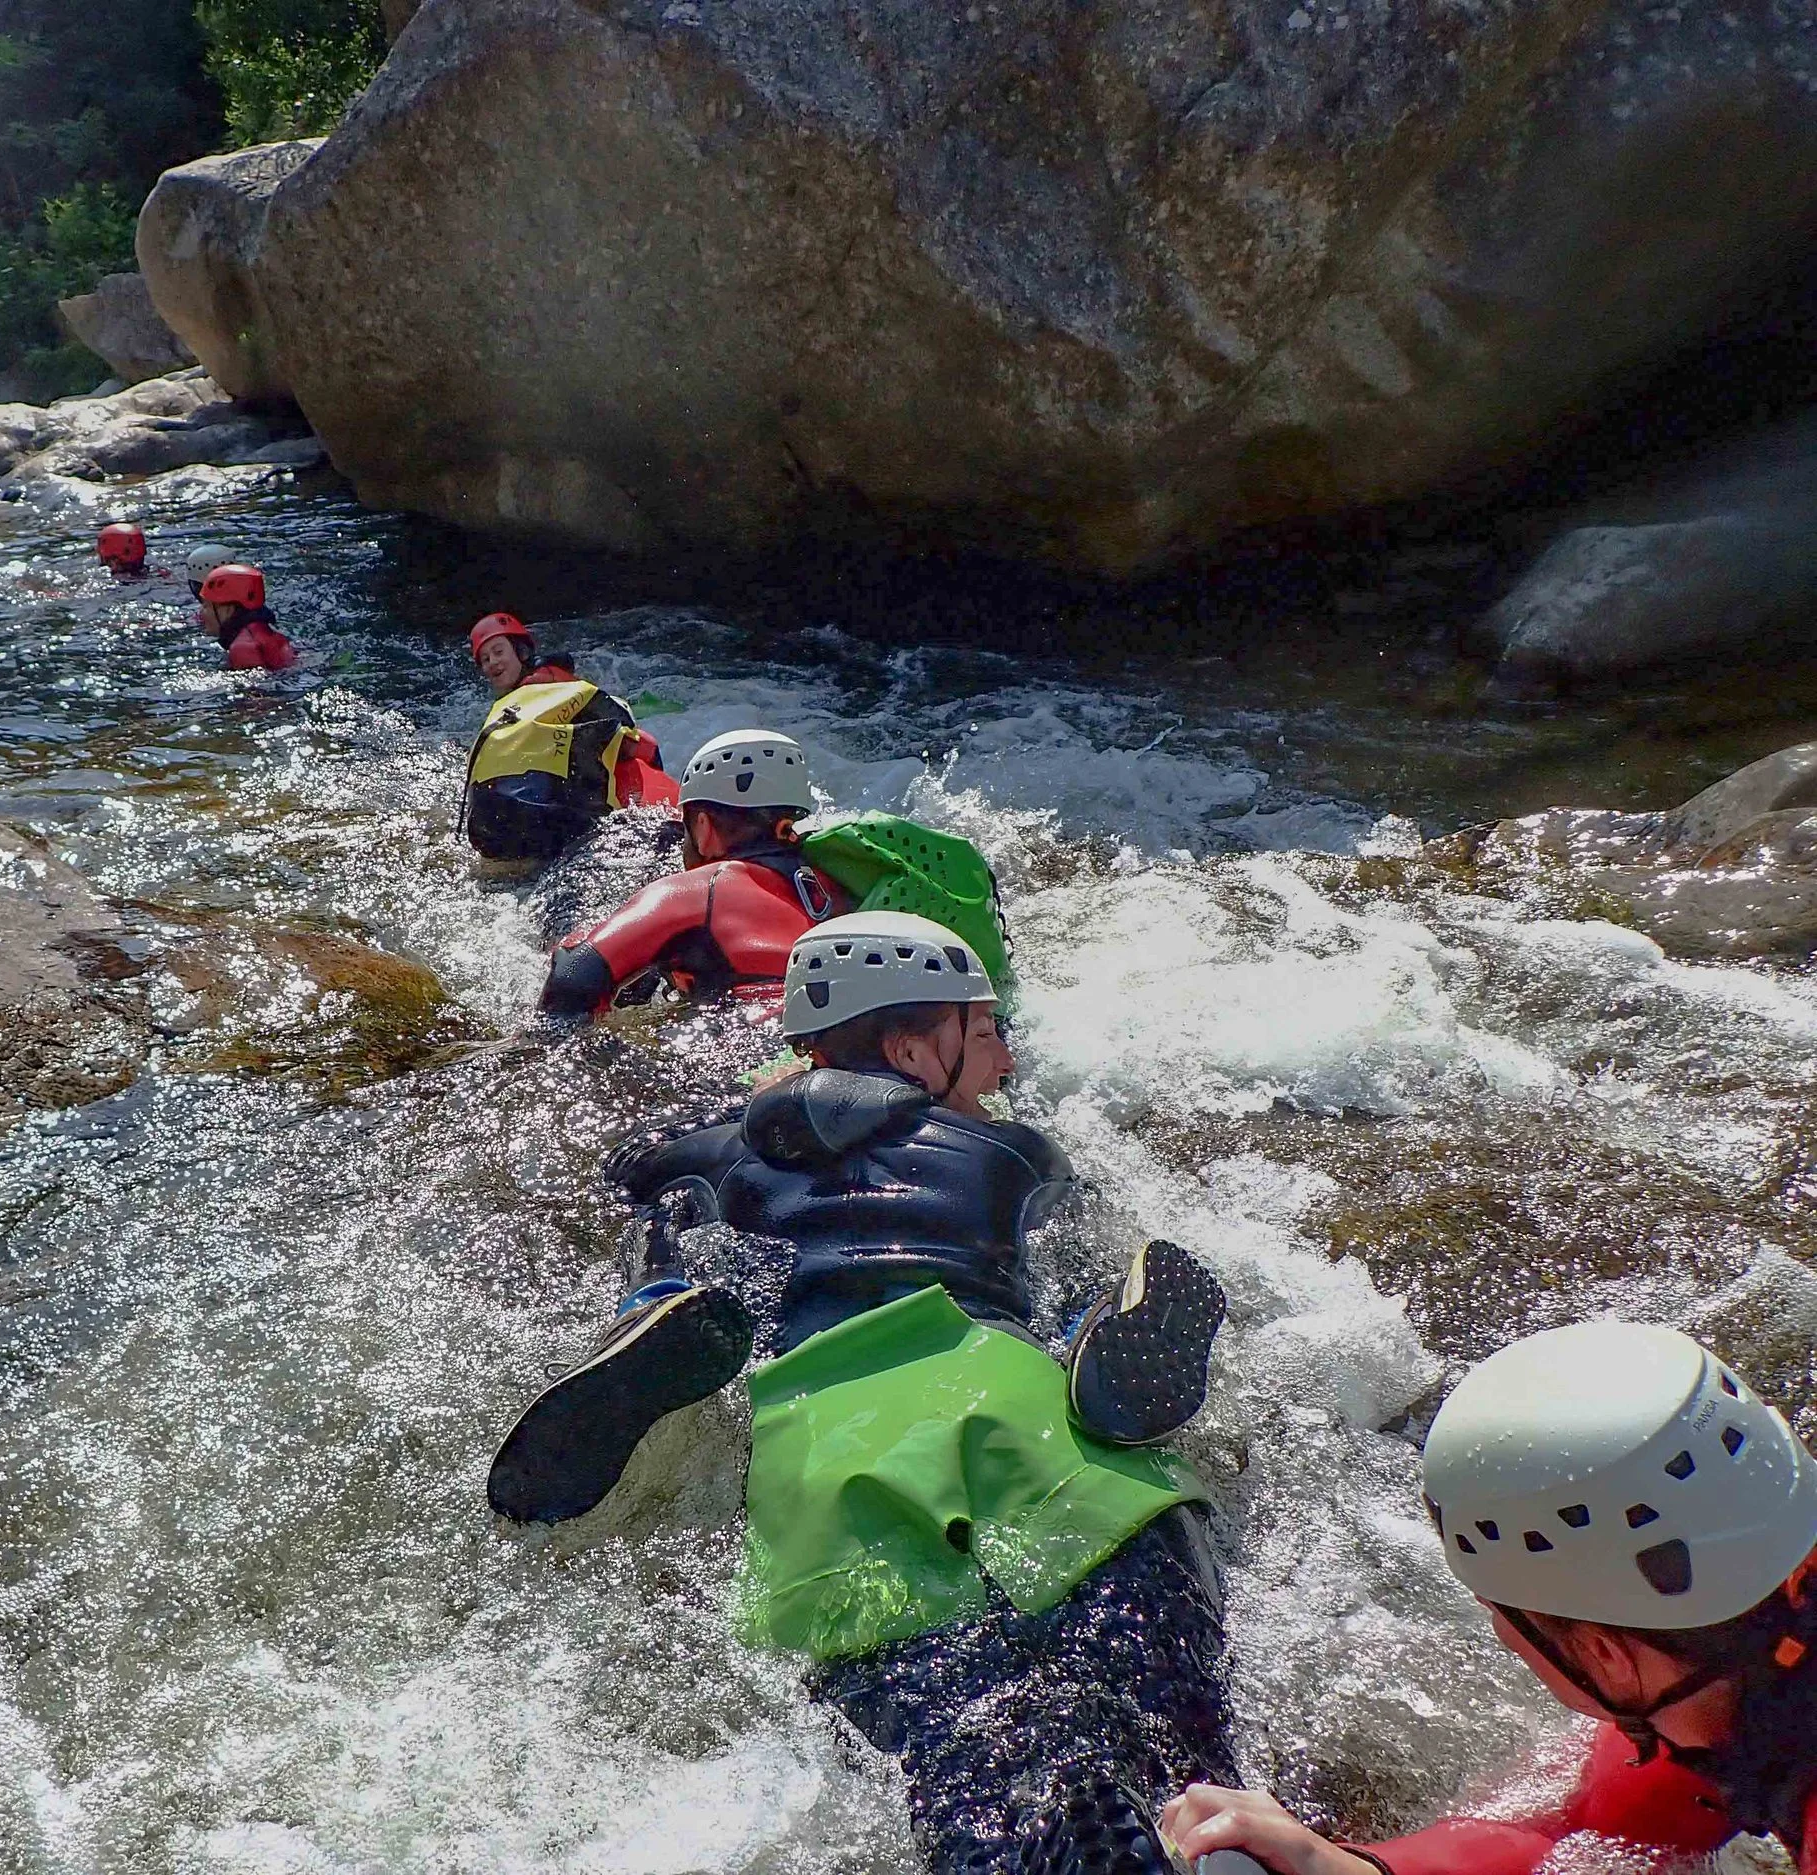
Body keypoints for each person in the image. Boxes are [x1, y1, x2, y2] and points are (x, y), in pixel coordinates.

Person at [492, 911, 1238, 1875]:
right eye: (982, 1028)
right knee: (1196, 1804)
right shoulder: (1017, 1154)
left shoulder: (715, 1152)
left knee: (990, 1799)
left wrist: (734, 1122)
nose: (1003, 1054)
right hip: (1052, 1449)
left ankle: (660, 1302)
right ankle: (1088, 1347)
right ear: (911, 1048)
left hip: (834, 1484)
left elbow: (626, 1164)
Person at [1163, 1321, 1817, 1875]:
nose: (1502, 1636)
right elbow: (1572, 1833)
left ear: (1605, 1654)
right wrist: (1342, 1864)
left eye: (1502, 1614)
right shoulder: (1727, 1679)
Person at [537, 729, 834, 1015]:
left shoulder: (699, 890)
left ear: (703, 827)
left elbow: (571, 978)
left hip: (751, 1042)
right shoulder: (834, 881)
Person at [461, 613, 681, 862]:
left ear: (521, 652)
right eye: (485, 659)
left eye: (498, 651)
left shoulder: (548, 685)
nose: (492, 663)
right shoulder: (512, 708)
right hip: (540, 812)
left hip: (510, 818)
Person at [199, 563, 294, 670]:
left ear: (228, 610)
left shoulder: (242, 648)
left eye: (206, 606)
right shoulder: (268, 632)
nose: (201, 613)